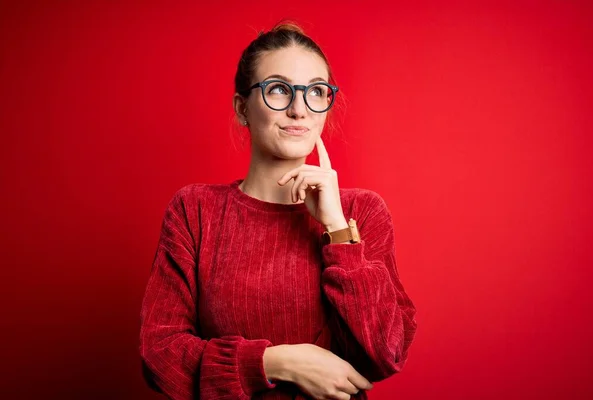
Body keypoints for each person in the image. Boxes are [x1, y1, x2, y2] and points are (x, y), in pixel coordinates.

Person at [139, 21, 418, 400]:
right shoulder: (195, 210)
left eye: (316, 92)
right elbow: (161, 356)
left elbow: (386, 352)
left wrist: (337, 228)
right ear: (242, 108)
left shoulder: (361, 212)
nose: (298, 109)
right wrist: (277, 362)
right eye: (278, 90)